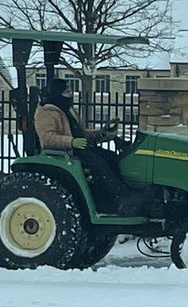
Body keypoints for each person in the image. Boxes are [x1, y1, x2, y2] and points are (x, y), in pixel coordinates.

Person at [34, 78, 123, 211]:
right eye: (66, 91)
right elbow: (47, 138)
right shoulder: (47, 113)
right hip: (67, 152)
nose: (70, 94)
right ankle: (116, 199)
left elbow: (81, 133)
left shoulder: (68, 110)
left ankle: (121, 192)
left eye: (70, 90)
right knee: (100, 165)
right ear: (57, 93)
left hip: (81, 148)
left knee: (112, 157)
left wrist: (101, 134)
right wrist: (71, 142)